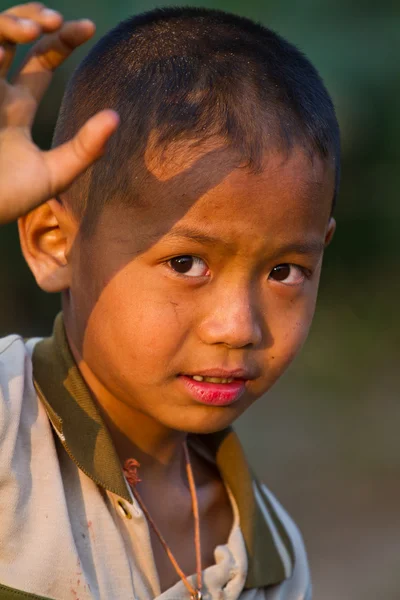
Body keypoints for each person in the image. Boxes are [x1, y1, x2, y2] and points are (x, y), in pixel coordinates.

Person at [0, 3, 339, 599]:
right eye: (186, 263)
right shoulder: (8, 428)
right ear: (53, 243)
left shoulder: (271, 555)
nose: (238, 328)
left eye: (285, 271)